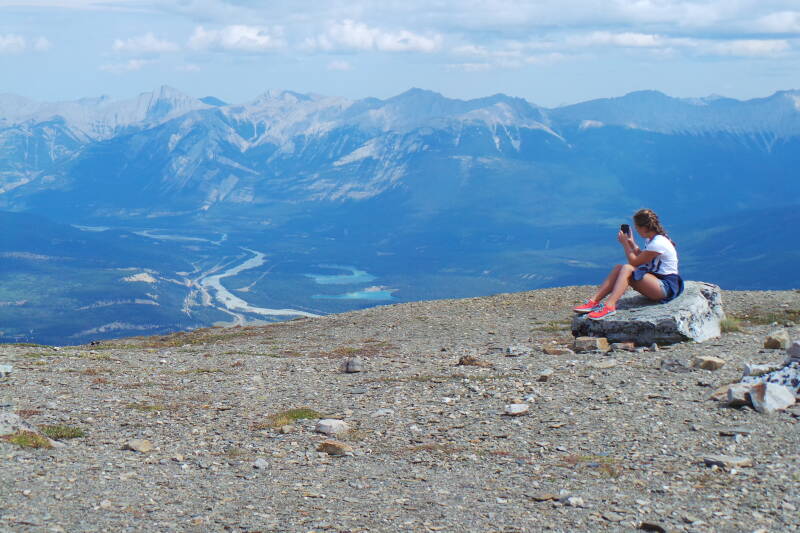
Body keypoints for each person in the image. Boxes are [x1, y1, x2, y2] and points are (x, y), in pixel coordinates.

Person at [573, 208, 683, 320]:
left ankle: (609, 306)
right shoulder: (653, 239)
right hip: (656, 281)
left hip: (666, 286)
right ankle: (593, 302)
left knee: (627, 268)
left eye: (637, 228)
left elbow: (634, 262)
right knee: (619, 268)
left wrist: (625, 244)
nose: (636, 230)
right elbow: (644, 257)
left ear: (644, 227)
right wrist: (631, 242)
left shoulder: (658, 243)